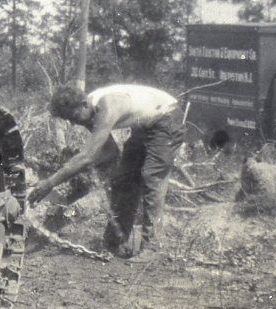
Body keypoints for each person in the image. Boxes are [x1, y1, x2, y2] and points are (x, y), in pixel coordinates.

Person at [31, 83, 184, 258]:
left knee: (152, 178)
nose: (73, 123)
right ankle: (115, 243)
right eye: (69, 120)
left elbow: (87, 156)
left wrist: (50, 183)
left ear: (83, 104)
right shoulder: (89, 111)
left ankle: (152, 248)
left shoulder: (107, 107)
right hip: (145, 124)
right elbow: (110, 151)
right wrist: (84, 167)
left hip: (167, 118)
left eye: (73, 117)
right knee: (124, 179)